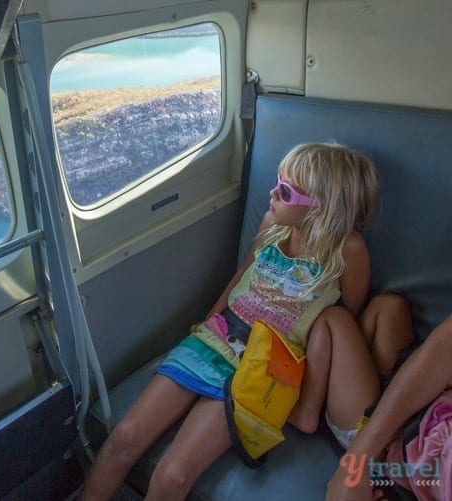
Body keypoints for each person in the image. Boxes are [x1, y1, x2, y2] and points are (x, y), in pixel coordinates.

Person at [79, 142, 380, 500]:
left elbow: (346, 316)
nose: (271, 193)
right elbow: (242, 276)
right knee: (124, 438)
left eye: (284, 191)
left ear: (321, 209)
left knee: (171, 476)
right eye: (277, 182)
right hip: (218, 336)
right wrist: (209, 318)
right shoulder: (273, 224)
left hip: (261, 366)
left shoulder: (349, 251)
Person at [326, 310, 452, 500]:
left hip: (393, 455)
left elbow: (332, 320)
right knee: (388, 310)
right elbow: (444, 348)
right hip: (413, 419)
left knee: (339, 320)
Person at [289, 293, 415, 449]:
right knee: (389, 307)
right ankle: (339, 365)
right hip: (410, 398)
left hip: (383, 437)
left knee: (333, 319)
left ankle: (306, 411)